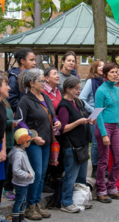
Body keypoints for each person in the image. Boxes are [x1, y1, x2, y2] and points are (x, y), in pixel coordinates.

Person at [16, 68, 61, 220]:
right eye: (41, 80)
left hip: (47, 141)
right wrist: (33, 136)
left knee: (42, 175)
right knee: (36, 174)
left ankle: (36, 204)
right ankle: (30, 207)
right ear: (31, 83)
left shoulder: (45, 97)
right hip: (34, 143)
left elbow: (51, 115)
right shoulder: (25, 100)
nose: (44, 83)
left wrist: (56, 121)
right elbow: (19, 121)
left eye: (43, 80)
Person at [56, 77, 95, 213]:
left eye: (79, 88)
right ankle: (66, 202)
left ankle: (79, 200)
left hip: (82, 143)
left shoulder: (77, 102)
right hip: (71, 145)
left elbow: (82, 117)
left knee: (81, 176)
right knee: (71, 175)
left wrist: (88, 121)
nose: (79, 91)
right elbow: (63, 128)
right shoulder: (63, 105)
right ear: (67, 89)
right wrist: (80, 122)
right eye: (76, 88)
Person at [95, 62, 119, 203]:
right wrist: (103, 134)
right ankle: (101, 190)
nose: (116, 75)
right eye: (112, 72)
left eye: (117, 72)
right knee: (104, 160)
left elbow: (118, 112)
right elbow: (98, 114)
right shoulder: (100, 90)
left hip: (115, 128)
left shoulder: (117, 90)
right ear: (106, 74)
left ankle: (112, 187)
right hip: (104, 127)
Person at [79, 59, 105, 178]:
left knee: (105, 142)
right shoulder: (90, 82)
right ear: (94, 68)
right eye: (99, 66)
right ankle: (95, 168)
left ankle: (103, 166)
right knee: (95, 143)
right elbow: (81, 99)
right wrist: (93, 111)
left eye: (103, 66)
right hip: (94, 115)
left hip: (106, 114)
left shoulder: (106, 82)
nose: (102, 67)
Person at [8, 128, 37, 222]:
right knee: (19, 202)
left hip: (23, 182)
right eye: (29, 141)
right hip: (21, 182)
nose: (30, 142)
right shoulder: (18, 154)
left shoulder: (21, 151)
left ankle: (21, 218)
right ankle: (16, 219)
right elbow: (16, 170)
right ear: (24, 142)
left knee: (22, 201)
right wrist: (27, 175)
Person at [7, 48, 36, 112]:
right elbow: (11, 100)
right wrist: (27, 110)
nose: (34, 63)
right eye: (31, 60)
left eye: (34, 60)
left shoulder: (31, 76)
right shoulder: (14, 77)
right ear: (22, 61)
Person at [0, 72, 11, 222]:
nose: (9, 87)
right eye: (6, 84)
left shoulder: (2, 104)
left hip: (1, 147)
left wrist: (2, 150)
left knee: (0, 182)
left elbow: (2, 130)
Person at [2, 98, 15, 201]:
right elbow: (2, 123)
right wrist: (12, 123)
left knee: (6, 170)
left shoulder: (5, 101)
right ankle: (6, 189)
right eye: (6, 84)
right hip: (3, 142)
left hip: (9, 140)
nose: (9, 87)